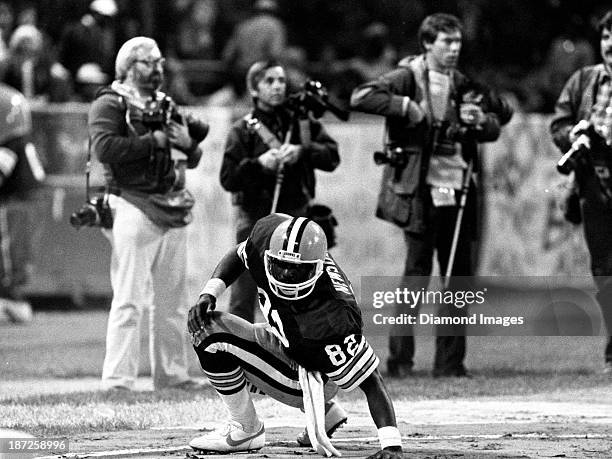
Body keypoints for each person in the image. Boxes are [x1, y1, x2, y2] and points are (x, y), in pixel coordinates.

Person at [351, 13, 512, 378]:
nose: (454, 49)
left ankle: (450, 363)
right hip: (420, 191)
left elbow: (499, 119)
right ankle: (400, 362)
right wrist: (406, 107)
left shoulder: (463, 82)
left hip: (459, 190)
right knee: (416, 276)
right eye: (446, 42)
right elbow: (362, 95)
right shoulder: (407, 76)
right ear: (427, 44)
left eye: (457, 43)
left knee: (458, 279)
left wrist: (478, 121)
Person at [187, 213, 403, 458]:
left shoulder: (334, 316)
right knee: (210, 324)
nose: (287, 275)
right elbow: (240, 253)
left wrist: (391, 445)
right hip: (289, 344)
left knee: (209, 333)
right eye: (281, 264)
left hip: (312, 375)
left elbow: (371, 379)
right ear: (269, 252)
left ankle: (245, 428)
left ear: (318, 268)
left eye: (297, 270)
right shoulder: (266, 235)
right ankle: (326, 412)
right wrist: (210, 292)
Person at [88, 36, 209, 391]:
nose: (157, 68)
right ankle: (118, 381)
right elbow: (105, 148)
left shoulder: (164, 103)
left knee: (172, 301)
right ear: (127, 67)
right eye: (148, 63)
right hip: (130, 202)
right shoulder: (109, 102)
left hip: (170, 203)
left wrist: (187, 143)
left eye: (159, 62)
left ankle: (171, 375)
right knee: (129, 299)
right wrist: (151, 142)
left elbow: (193, 155)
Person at [220, 60, 339, 323]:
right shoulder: (243, 131)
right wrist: (259, 165)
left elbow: (332, 157)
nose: (277, 87)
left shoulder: (301, 124)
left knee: (298, 294)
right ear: (254, 89)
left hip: (296, 222)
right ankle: (239, 357)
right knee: (244, 294)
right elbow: (228, 178)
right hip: (255, 221)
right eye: (269, 81)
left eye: (281, 81)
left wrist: (303, 151)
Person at [550, 9, 612, 375]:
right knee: (604, 269)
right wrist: (573, 136)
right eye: (606, 37)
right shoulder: (585, 80)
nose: (610, 44)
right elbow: (558, 122)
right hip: (592, 179)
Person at [0, 82, 45, 324]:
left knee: (10, 253)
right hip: (30, 199)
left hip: (18, 201)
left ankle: (13, 302)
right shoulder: (22, 137)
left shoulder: (10, 142)